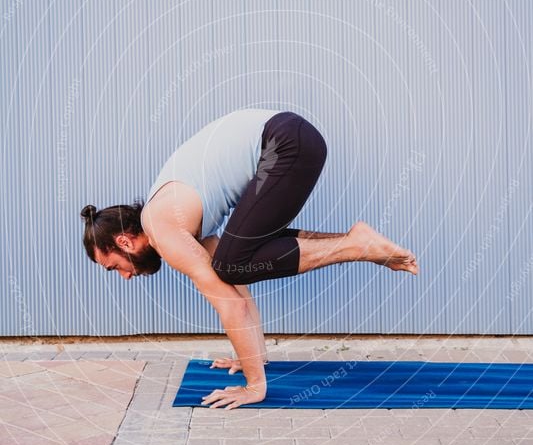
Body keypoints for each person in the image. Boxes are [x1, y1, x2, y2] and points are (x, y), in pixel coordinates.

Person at [81, 108, 418, 409]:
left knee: (231, 262)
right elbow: (236, 289)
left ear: (124, 241)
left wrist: (254, 386)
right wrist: (252, 358)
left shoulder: (162, 227)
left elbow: (231, 305)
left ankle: (357, 244)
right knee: (232, 262)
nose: (124, 276)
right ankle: (356, 241)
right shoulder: (174, 215)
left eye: (114, 268)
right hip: (292, 138)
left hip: (286, 142)